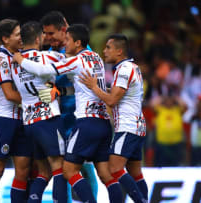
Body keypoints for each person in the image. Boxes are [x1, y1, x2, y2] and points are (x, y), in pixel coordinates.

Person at [14, 24, 122, 203]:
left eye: (68, 40)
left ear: (77, 43)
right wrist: (61, 92)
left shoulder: (75, 60)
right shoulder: (96, 58)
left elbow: (43, 70)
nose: (65, 44)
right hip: (103, 122)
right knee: (106, 174)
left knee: (68, 170)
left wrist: (19, 58)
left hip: (85, 122)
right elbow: (81, 88)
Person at [79, 34, 148, 202]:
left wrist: (94, 87)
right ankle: (145, 199)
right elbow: (121, 95)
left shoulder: (124, 70)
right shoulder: (132, 67)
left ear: (119, 51)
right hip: (137, 126)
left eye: (108, 47)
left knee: (114, 169)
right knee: (135, 172)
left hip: (127, 126)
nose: (104, 51)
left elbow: (112, 100)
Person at [40, 10, 99, 202]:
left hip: (79, 116)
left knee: (83, 164)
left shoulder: (78, 49)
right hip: (59, 118)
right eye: (45, 34)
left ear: (64, 31)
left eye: (51, 34)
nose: (47, 38)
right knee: (63, 166)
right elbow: (47, 86)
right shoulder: (48, 54)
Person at [11, 21, 67, 203]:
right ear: (37, 38)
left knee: (44, 171)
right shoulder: (48, 57)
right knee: (59, 167)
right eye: (43, 35)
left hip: (29, 122)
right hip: (48, 118)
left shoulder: (13, 64)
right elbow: (72, 62)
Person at [0, 19, 32, 203]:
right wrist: (35, 101)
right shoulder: (1, 59)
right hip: (3, 120)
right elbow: (10, 95)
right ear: (5, 38)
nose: (22, 38)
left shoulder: (21, 56)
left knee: (23, 169)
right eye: (18, 34)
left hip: (22, 119)